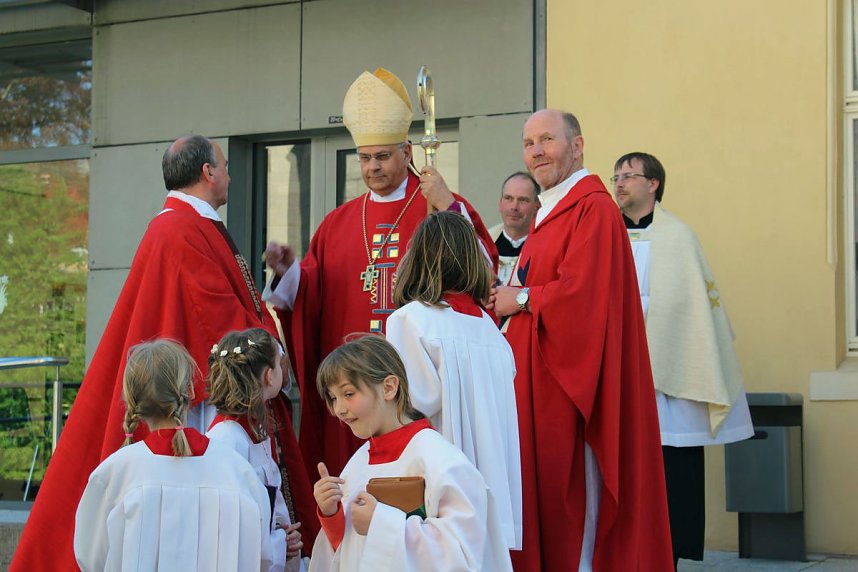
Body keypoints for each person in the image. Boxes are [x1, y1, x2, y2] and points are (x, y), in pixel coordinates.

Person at [13, 135, 318, 571]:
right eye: (226, 166)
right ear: (208, 173)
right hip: (202, 410)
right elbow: (217, 317)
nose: (230, 174)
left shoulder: (187, 223)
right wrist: (267, 350)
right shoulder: (180, 228)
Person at [263, 68, 497, 480]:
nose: (372, 167)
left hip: (418, 386)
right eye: (365, 158)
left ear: (407, 152)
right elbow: (315, 294)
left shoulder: (438, 206)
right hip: (353, 385)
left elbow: (482, 271)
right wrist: (288, 275)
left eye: (383, 156)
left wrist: (447, 205)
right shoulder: (338, 222)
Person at [492, 109, 673, 571]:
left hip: (572, 390)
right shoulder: (549, 210)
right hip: (537, 383)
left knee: (576, 508)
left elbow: (585, 296)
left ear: (578, 146)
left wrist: (523, 298)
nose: (536, 151)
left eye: (547, 139)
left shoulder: (592, 208)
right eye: (528, 142)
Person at [612, 152, 753, 570]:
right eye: (615, 175)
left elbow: (693, 310)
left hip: (670, 381)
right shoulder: (603, 234)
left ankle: (668, 554)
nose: (618, 183)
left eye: (629, 176)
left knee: (673, 470)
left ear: (653, 183)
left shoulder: (678, 237)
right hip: (619, 374)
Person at [308, 335, 512, 572]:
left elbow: (463, 553)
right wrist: (331, 514)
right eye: (333, 398)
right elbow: (348, 551)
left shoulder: (440, 460)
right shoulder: (357, 463)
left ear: (388, 387)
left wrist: (380, 524)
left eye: (349, 394)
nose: (339, 409)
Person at [74, 340, 274, 572]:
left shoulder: (114, 474)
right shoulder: (238, 472)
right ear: (189, 390)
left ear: (132, 401)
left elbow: (92, 559)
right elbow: (262, 557)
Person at [386, 210, 522, 550]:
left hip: (440, 482)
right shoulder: (491, 330)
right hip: (493, 482)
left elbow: (412, 407)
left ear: (416, 257)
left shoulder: (410, 320)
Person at [207, 328, 308, 572]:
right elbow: (229, 526)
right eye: (279, 362)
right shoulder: (228, 438)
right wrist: (277, 544)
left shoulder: (250, 429)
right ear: (270, 376)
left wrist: (282, 536)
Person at [488, 172, 541, 285]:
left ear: (537, 207)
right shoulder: (484, 246)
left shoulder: (545, 248)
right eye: (508, 198)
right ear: (500, 204)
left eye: (523, 200)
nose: (514, 207)